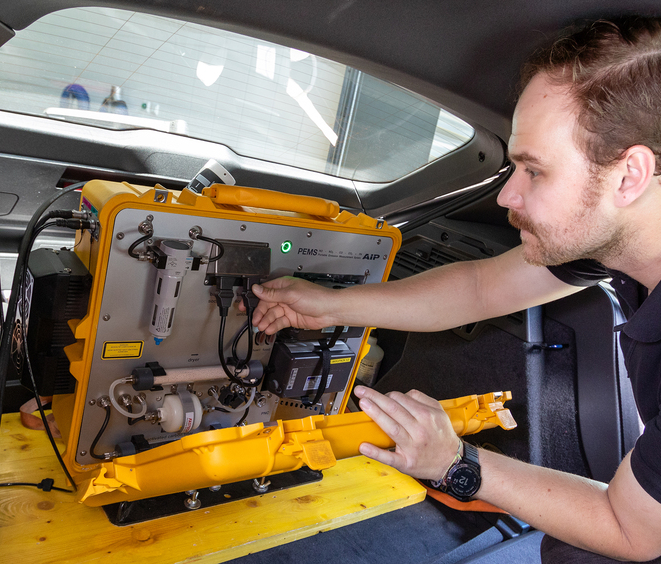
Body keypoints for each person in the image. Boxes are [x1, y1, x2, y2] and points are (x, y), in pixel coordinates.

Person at [244, 17, 661, 563]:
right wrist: (329, 306)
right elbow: (481, 287)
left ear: (630, 175)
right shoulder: (618, 238)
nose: (507, 195)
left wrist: (456, 463)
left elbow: (633, 532)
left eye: (534, 172)